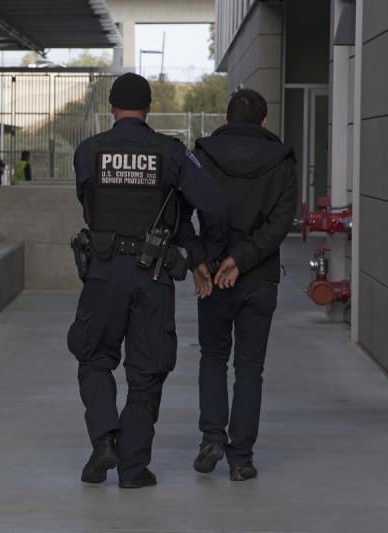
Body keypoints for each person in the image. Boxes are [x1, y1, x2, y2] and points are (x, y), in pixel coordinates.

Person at [67, 73, 227, 489]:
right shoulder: (170, 152)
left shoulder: (88, 151)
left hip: (102, 272)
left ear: (112, 108)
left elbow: (89, 204)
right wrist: (196, 255)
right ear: (149, 108)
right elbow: (211, 201)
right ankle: (134, 470)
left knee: (94, 356)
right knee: (147, 370)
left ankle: (105, 439)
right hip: (152, 272)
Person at [190, 89, 297, 481]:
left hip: (215, 275)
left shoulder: (204, 154)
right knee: (250, 368)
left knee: (213, 357)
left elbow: (185, 211)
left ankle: (211, 439)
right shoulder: (283, 160)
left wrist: (206, 259)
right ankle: (241, 460)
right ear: (264, 122)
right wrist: (245, 258)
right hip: (260, 278)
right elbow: (281, 224)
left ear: (227, 118)